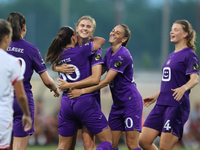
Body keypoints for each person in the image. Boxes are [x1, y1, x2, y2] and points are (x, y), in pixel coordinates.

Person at [65, 24, 143, 150]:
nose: (113, 33)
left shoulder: (122, 55)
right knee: (111, 144)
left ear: (124, 39)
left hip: (131, 103)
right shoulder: (109, 53)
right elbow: (96, 74)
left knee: (132, 144)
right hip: (118, 105)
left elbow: (105, 81)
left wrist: (82, 91)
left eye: (117, 33)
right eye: (113, 30)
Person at [45, 26, 112, 150]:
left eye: (88, 26)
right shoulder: (82, 51)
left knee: (63, 146)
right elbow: (101, 41)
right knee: (108, 141)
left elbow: (52, 64)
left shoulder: (58, 55)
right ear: (73, 37)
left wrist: (56, 67)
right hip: (84, 100)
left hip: (66, 103)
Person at [139, 20, 199, 150]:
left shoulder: (189, 55)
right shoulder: (172, 55)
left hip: (176, 105)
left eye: (176, 29)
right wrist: (156, 95)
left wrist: (184, 88)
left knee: (165, 147)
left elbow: (195, 79)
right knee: (143, 141)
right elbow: (171, 83)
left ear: (185, 34)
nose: (171, 31)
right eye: (171, 29)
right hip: (161, 103)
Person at [6, 12, 60, 150]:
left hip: (3, 100)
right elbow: (47, 81)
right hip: (21, 101)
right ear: (24, 28)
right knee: (18, 147)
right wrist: (55, 89)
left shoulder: (2, 48)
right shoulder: (31, 49)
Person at [0, 19, 32, 150]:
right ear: (7, 37)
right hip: (3, 115)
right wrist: (27, 114)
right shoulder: (11, 62)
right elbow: (21, 95)